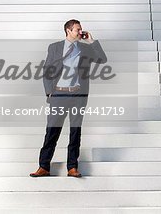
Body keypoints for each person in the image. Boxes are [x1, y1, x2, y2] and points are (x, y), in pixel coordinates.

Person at [30, 19, 107, 178]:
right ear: (68, 31)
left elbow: (102, 59)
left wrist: (91, 41)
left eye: (80, 29)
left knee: (75, 132)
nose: (80, 32)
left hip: (78, 95)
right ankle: (43, 166)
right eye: (77, 30)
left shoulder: (85, 49)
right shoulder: (55, 47)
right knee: (52, 131)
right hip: (58, 94)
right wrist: (49, 93)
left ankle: (72, 167)